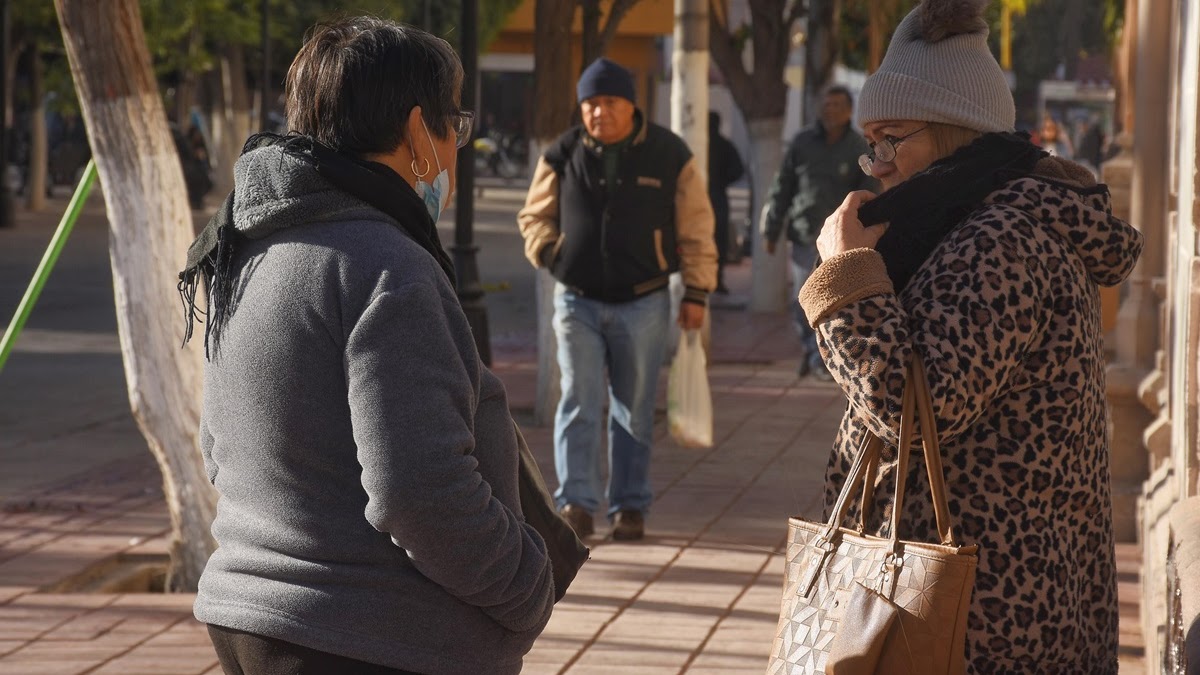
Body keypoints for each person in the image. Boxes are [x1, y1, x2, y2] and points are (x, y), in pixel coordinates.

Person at [179, 18, 555, 674]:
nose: (457, 149)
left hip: (252, 615)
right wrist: (528, 585)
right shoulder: (387, 265)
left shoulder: (254, 245)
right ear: (418, 132)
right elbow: (423, 492)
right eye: (454, 126)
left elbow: (218, 447)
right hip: (366, 635)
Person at [797, 1, 1142, 672]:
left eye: (892, 139)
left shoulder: (1003, 239)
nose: (879, 163)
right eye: (874, 144)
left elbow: (908, 407)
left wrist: (844, 279)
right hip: (983, 606)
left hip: (986, 621)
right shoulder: (972, 226)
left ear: (955, 133)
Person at [518, 57, 718, 541]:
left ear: (631, 105)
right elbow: (534, 216)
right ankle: (576, 505)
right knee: (578, 401)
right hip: (577, 301)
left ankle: (630, 507)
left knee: (632, 407)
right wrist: (552, 253)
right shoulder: (562, 153)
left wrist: (696, 291)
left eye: (609, 102)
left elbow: (696, 227)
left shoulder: (670, 155)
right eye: (589, 103)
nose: (598, 112)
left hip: (644, 301)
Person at [762, 85, 878, 380]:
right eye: (826, 104)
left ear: (849, 111)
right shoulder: (802, 143)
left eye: (838, 105)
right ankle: (812, 351)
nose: (831, 110)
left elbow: (870, 193)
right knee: (801, 300)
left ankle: (820, 359)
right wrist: (771, 230)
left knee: (832, 301)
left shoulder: (858, 148)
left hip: (840, 241)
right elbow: (782, 187)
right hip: (803, 237)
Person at [707, 111, 745, 293]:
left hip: (715, 196)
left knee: (717, 239)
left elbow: (737, 169)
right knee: (716, 239)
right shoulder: (723, 145)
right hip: (716, 196)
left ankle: (716, 279)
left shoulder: (719, 145)